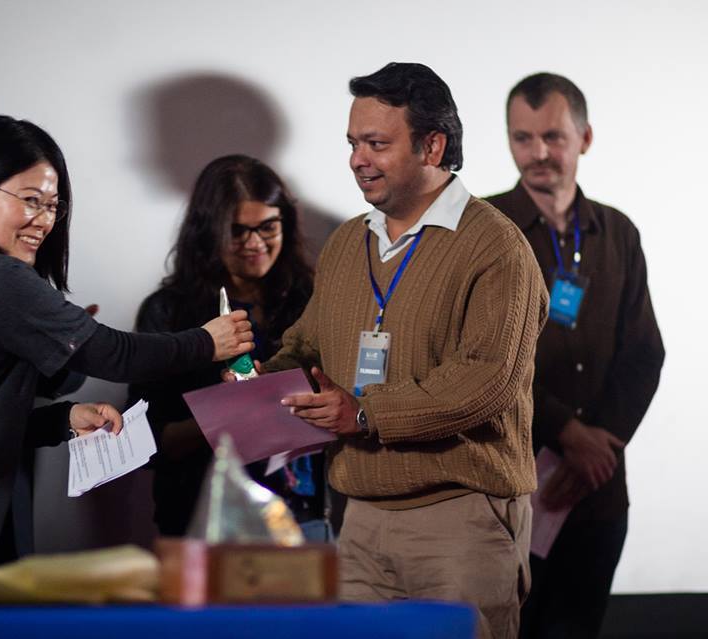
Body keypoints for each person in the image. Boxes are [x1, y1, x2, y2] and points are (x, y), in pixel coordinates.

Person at [0, 115, 254, 571]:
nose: (45, 220)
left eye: (54, 205)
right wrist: (206, 342)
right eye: (31, 200)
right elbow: (115, 354)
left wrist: (62, 421)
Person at [256, 62, 548, 638]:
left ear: (432, 146)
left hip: (461, 521)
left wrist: (364, 413)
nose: (357, 160)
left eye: (376, 144)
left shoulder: (496, 246)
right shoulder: (346, 242)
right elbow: (308, 347)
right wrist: (257, 379)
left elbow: (485, 383)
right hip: (359, 521)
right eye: (352, 143)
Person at [487, 73, 665, 639]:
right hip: (511, 488)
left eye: (553, 137)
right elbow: (482, 358)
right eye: (522, 138)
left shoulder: (618, 232)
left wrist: (598, 445)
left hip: (597, 489)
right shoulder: (483, 232)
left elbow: (644, 353)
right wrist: (568, 433)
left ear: (584, 137)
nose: (538, 153)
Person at [128, 154, 326, 539]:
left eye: (268, 227)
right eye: (236, 231)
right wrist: (227, 415)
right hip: (201, 516)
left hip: (302, 512)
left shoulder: (312, 299)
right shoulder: (168, 312)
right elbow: (146, 441)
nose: (254, 243)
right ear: (207, 232)